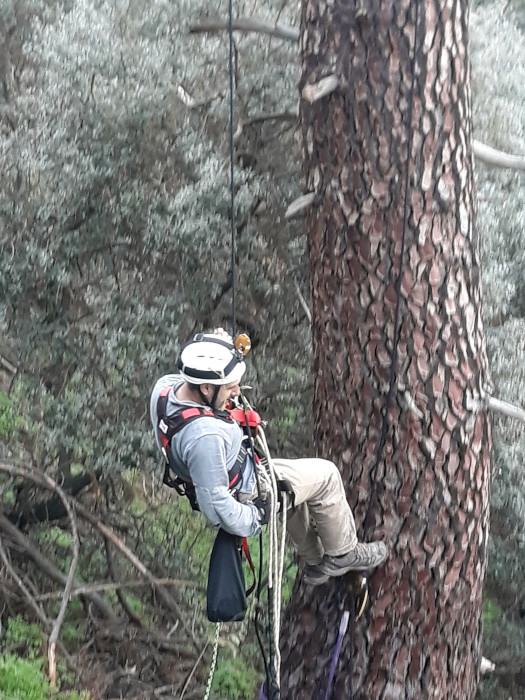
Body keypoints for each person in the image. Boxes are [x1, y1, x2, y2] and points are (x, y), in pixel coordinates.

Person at [150, 329, 388, 586]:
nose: (236, 391)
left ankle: (316, 562)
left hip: (239, 471)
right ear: (206, 388)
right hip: (250, 491)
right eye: (230, 387)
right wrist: (256, 515)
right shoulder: (205, 438)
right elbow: (217, 508)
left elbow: (201, 366)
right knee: (326, 475)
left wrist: (221, 344)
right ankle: (344, 553)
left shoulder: (166, 389)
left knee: (294, 494)